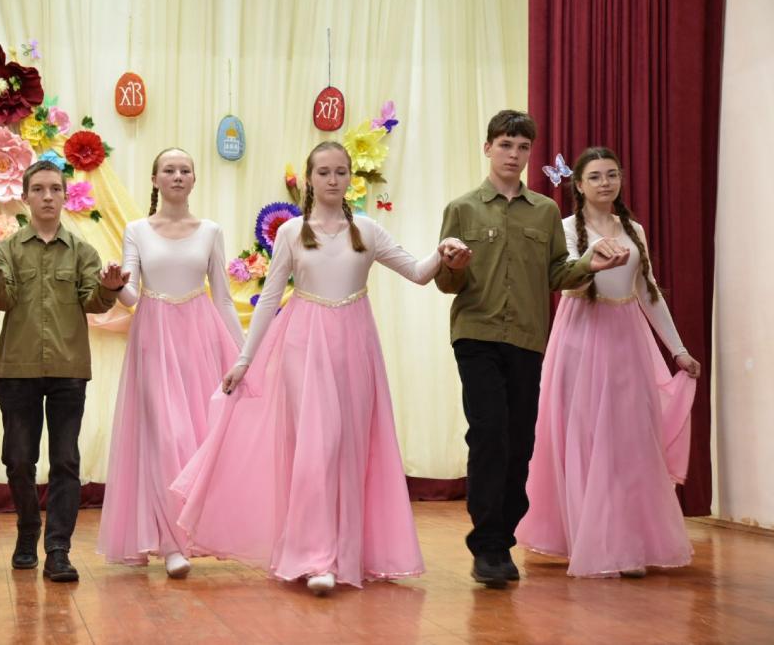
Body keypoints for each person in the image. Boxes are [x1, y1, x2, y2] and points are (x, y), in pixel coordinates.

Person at [172, 141, 468, 595]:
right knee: (314, 447)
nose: (333, 179)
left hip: (355, 347)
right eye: (324, 172)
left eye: (340, 172)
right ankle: (315, 558)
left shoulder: (367, 230)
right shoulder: (292, 232)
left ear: (350, 177)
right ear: (309, 179)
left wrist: (444, 251)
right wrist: (245, 360)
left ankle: (343, 552)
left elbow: (417, 272)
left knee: (347, 447)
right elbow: (270, 298)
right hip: (302, 345)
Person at [434, 111, 630, 588]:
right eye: (505, 145)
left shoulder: (544, 212)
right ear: (488, 148)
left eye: (522, 147)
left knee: (520, 440)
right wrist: (453, 266)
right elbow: (446, 283)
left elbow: (557, 274)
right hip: (476, 336)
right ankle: (489, 546)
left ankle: (504, 533)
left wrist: (590, 264)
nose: (514, 154)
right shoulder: (461, 209)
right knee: (489, 433)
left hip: (527, 338)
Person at [516, 146, 701, 578]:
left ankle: (625, 541)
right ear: (579, 185)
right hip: (581, 337)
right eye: (596, 176)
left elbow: (648, 291)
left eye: (612, 174)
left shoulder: (634, 230)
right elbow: (563, 281)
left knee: (629, 439)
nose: (605, 183)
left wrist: (677, 349)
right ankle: (590, 540)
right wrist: (591, 263)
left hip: (627, 341)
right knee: (584, 437)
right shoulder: (565, 229)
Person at [0, 160, 127, 582]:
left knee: (66, 461)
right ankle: (27, 532)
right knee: (19, 460)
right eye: (38, 189)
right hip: (16, 368)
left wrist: (110, 287)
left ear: (64, 196)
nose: (47, 196)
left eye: (55, 189)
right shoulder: (6, 250)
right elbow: (1, 300)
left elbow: (94, 303)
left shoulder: (83, 252)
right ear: (25, 197)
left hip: (68, 369)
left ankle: (59, 549)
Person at [97, 148, 244, 577]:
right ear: (155, 179)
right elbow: (131, 294)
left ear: (194, 179)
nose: (177, 176)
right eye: (169, 170)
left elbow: (223, 298)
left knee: (196, 435)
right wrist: (114, 286)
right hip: (154, 336)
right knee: (165, 435)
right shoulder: (137, 230)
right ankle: (170, 544)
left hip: (199, 337)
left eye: (184, 170)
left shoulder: (210, 231)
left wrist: (245, 355)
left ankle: (189, 535)